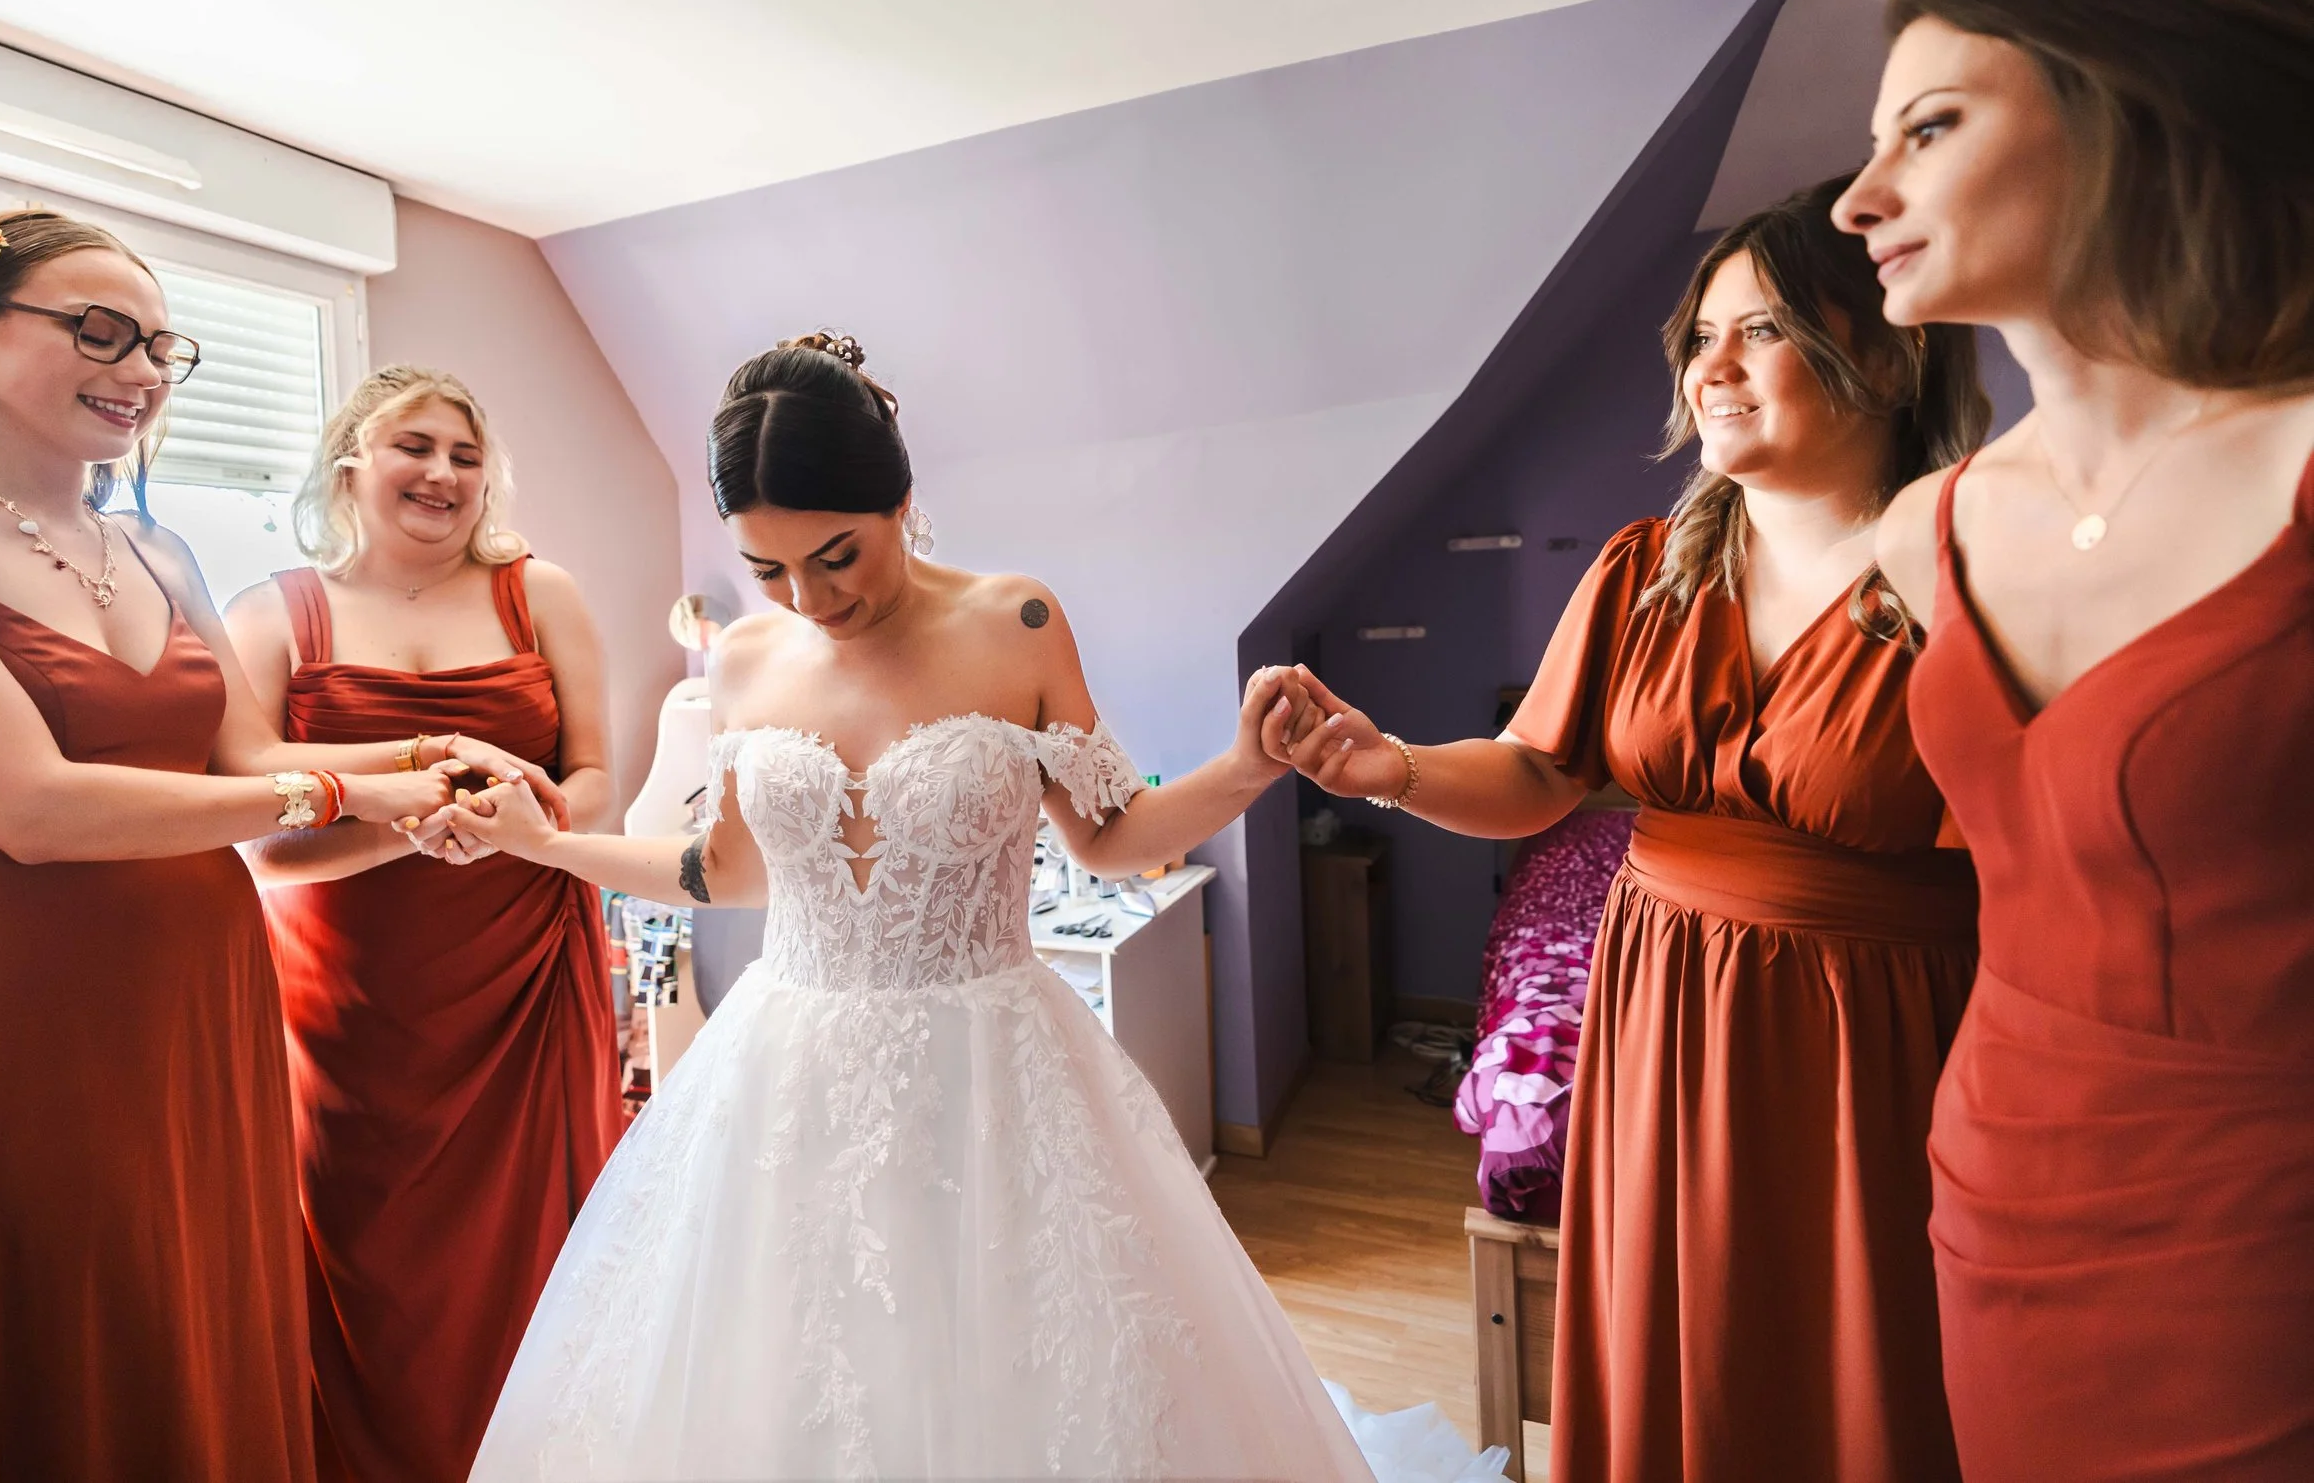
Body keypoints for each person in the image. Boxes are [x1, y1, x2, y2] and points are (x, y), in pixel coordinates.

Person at [435, 331, 1382, 1481]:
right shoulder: (739, 658)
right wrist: (545, 845)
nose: (809, 597)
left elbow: (1114, 832)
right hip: (783, 1076)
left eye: (836, 554)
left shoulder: (1016, 621)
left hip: (992, 1068)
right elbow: (726, 871)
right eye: (766, 566)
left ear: (901, 499)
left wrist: (1244, 767)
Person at [0, 210, 553, 1479]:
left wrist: (443, 761)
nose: (143, 368)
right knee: (49, 1338)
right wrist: (335, 797)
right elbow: (35, 807)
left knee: (188, 1322)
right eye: (99, 330)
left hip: (198, 1003)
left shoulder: (152, 543)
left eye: (162, 343)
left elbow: (240, 761)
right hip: (13, 1013)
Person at [1271, 178, 1987, 1483]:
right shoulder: (1648, 570)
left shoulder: (1975, 575)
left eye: (1760, 328)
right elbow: (1542, 768)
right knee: (1683, 1350)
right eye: (1699, 335)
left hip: (1878, 1036)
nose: (1710, 365)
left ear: (1883, 348)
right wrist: (1389, 765)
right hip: (1660, 1011)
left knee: (1868, 1367)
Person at [1836, 0, 2314, 1483]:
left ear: (2130, 109)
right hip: (1996, 1177)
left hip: (2265, 1228)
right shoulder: (1927, 531)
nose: (1859, 195)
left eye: (1932, 127)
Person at [223, 365, 621, 1483]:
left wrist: (518, 834)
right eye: (414, 446)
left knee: (543, 1242)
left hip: (523, 973)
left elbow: (593, 782)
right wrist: (417, 827)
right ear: (351, 458)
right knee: (366, 1258)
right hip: (350, 992)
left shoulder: (539, 593)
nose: (442, 472)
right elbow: (258, 828)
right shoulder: (270, 615)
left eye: (463, 452)